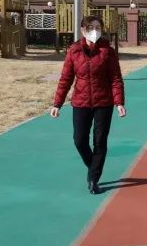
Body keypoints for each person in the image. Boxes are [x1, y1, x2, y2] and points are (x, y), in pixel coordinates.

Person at [50, 15, 126, 195]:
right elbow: (66, 79)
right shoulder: (74, 51)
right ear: (83, 30)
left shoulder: (107, 51)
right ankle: (94, 166)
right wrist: (57, 104)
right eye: (91, 27)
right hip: (81, 102)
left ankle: (93, 179)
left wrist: (119, 102)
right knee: (79, 140)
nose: (95, 31)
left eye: (98, 27)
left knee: (100, 141)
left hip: (103, 102)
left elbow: (116, 79)